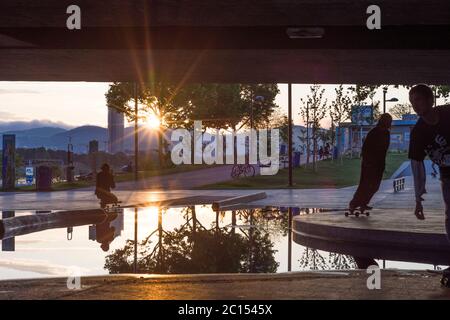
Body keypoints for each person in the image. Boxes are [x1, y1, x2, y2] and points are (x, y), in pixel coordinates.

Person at [408, 83, 450, 286]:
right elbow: (417, 167)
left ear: (430, 100)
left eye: (418, 100)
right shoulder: (418, 131)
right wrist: (418, 200)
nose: (415, 105)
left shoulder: (448, 114)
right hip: (448, 175)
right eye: (412, 102)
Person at [348, 113, 392, 211]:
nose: (390, 123)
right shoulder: (374, 132)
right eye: (389, 121)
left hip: (379, 164)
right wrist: (368, 162)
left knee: (375, 186)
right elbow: (366, 148)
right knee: (365, 184)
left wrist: (382, 164)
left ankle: (364, 203)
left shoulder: (387, 134)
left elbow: (384, 150)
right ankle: (354, 204)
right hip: (369, 164)